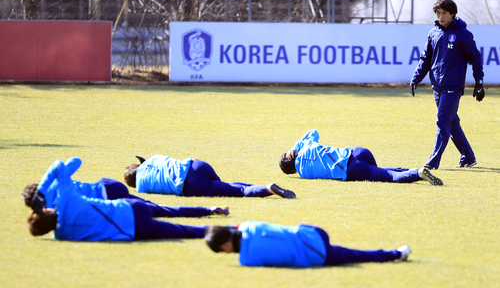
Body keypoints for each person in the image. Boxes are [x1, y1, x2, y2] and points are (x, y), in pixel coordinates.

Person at [26, 157, 218, 241]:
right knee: (160, 209)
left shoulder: (62, 235)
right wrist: (44, 188)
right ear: (43, 208)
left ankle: (221, 227)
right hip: (116, 197)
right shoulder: (63, 196)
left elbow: (54, 229)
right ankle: (209, 210)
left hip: (130, 229)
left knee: (182, 231)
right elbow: (70, 162)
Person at [410, 0, 485, 170]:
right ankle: (468, 156)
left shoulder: (463, 34)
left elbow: (475, 57)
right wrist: (416, 78)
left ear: (453, 14)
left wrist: (479, 82)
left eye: (445, 13)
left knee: (443, 120)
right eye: (438, 13)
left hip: (453, 86)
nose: (441, 16)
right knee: (451, 123)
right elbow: (425, 59)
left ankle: (433, 161)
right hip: (437, 86)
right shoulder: (433, 33)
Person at [205, 221, 410, 267]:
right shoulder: (249, 224)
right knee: (356, 253)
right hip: (313, 232)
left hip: (316, 254)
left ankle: (397, 254)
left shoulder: (247, 259)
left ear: (224, 247)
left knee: (359, 255)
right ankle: (396, 254)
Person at [279, 129, 443, 186]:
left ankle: (418, 173)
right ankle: (417, 171)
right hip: (357, 151)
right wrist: (294, 148)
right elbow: (313, 132)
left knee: (389, 177)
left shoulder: (303, 173)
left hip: (351, 169)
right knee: (383, 171)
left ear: (292, 170)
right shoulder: (307, 145)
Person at [124, 155, 296, 198]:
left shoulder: (141, 186)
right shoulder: (152, 158)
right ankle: (268, 187)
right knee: (229, 186)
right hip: (197, 165)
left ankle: (267, 189)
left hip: (190, 184)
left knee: (237, 192)